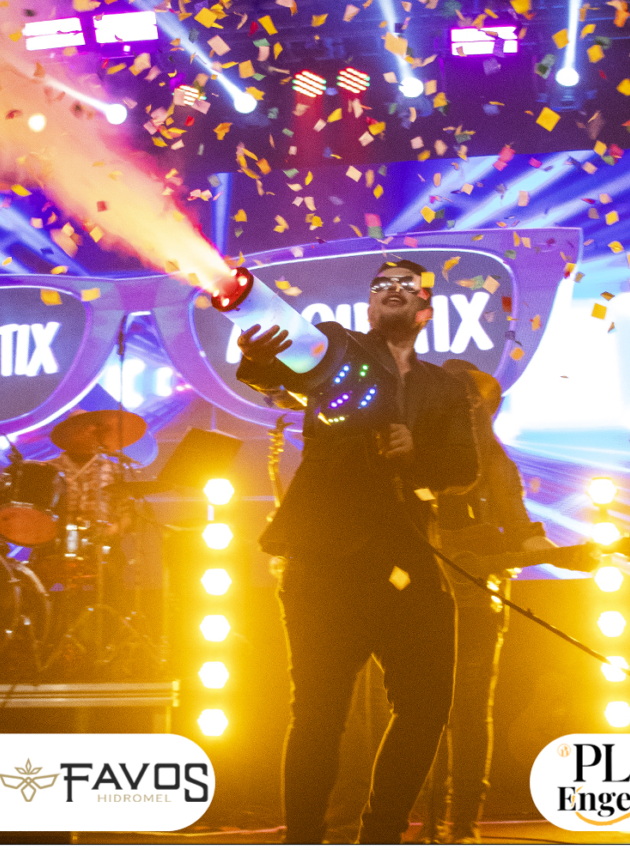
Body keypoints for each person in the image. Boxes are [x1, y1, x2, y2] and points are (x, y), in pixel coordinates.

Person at [235, 260, 479, 845]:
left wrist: (415, 453)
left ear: (425, 309)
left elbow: (463, 469)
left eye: (405, 285)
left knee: (426, 708)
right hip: (325, 559)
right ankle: (303, 839)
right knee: (318, 714)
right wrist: (261, 359)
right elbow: (287, 370)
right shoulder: (337, 346)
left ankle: (382, 835)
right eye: (380, 285)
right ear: (370, 307)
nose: (391, 289)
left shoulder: (445, 387)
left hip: (407, 560)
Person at [422, 359, 556, 844]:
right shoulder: (416, 454)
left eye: (470, 401)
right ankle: (428, 819)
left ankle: (461, 823)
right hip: (421, 596)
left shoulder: (495, 464)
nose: (465, 408)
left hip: (479, 597)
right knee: (421, 708)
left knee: (469, 708)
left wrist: (542, 547)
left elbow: (518, 525)